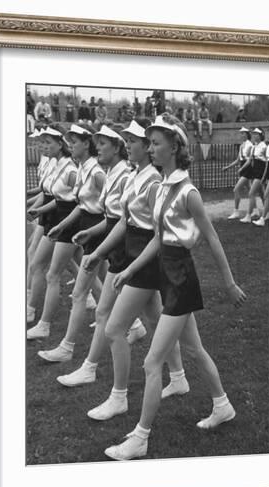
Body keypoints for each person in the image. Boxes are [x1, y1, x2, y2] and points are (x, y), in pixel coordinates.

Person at [102, 115, 246, 460]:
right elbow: (157, 238)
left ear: (175, 147)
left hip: (181, 279)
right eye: (148, 143)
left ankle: (140, 437)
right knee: (194, 350)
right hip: (166, 274)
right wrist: (130, 270)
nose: (150, 148)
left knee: (153, 362)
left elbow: (211, 239)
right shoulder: (164, 186)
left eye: (155, 143)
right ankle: (222, 405)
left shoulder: (188, 192)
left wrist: (229, 283)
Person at [70, 118, 189, 415]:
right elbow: (124, 220)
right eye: (132, 140)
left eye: (135, 141)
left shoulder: (151, 181)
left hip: (143, 261)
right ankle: (179, 378)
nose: (131, 145)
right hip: (135, 256)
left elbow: (157, 232)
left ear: (147, 149)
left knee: (113, 329)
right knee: (154, 319)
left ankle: (119, 397)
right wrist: (98, 249)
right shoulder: (137, 176)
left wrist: (131, 266)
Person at [49, 125, 145, 376]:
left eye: (103, 143)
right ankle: (175, 372)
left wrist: (98, 245)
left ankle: (77, 355)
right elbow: (113, 215)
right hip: (110, 237)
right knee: (150, 314)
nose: (97, 147)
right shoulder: (112, 171)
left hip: (123, 244)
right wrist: (91, 234)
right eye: (97, 143)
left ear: (116, 147)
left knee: (93, 302)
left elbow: (125, 218)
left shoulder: (120, 174)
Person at [25, 125, 78, 339]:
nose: (42, 147)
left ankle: (38, 318)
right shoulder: (57, 164)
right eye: (41, 143)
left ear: (60, 144)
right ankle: (32, 311)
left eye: (47, 143)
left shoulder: (70, 169)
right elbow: (52, 195)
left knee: (50, 270)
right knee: (83, 271)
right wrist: (36, 207)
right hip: (55, 219)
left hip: (65, 222)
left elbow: (79, 201)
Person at [222, 127, 254, 220]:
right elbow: (238, 160)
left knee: (236, 189)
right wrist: (228, 167)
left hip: (247, 169)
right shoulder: (242, 145)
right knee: (251, 190)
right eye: (241, 133)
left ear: (247, 134)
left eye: (243, 133)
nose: (241, 135)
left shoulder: (249, 145)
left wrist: (241, 169)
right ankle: (256, 210)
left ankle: (236, 211)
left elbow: (249, 160)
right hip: (244, 169)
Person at [238, 127, 267, 223]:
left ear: (261, 136)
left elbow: (267, 162)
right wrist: (242, 168)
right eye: (254, 134)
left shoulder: (263, 146)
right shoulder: (255, 146)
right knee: (262, 193)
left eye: (257, 134)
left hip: (260, 173)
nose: (255, 136)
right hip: (255, 172)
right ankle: (268, 213)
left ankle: (248, 216)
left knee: (251, 193)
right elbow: (250, 160)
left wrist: (265, 175)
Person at [253, 124, 269, 227]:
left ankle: (263, 218)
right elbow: (267, 164)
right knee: (266, 195)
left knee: (266, 195)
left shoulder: (268, 146)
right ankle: (265, 217)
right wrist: (264, 177)